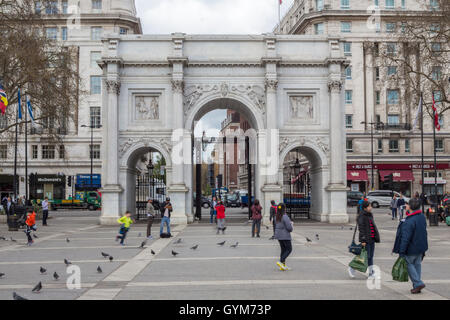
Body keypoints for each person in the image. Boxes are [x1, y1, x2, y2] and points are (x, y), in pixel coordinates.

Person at [393, 198, 428, 294]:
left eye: (407, 204)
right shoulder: (421, 217)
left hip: (411, 248)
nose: (406, 206)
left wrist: (401, 251)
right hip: (420, 247)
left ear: (411, 207)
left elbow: (405, 238)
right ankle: (417, 285)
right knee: (417, 266)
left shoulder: (409, 221)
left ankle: (418, 283)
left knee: (409, 265)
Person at [348, 201, 380, 279]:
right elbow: (361, 229)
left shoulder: (370, 215)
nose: (371, 207)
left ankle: (370, 273)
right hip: (366, 240)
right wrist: (363, 240)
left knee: (370, 256)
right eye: (369, 206)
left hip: (372, 239)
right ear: (365, 208)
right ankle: (352, 268)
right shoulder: (362, 216)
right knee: (365, 256)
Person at [274, 203, 293, 271]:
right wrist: (291, 225)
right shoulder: (285, 216)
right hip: (285, 235)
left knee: (283, 250)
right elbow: (289, 228)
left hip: (279, 235)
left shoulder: (276, 216)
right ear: (284, 209)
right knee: (289, 249)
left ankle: (282, 265)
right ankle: (280, 261)